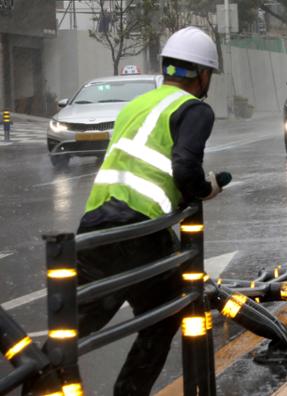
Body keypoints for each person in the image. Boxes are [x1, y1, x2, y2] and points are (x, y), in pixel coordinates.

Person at [73, 27, 219, 395]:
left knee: (73, 329)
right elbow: (185, 168)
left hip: (95, 228)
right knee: (165, 314)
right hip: (139, 230)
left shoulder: (134, 106)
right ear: (202, 74)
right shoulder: (194, 110)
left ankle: (38, 383)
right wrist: (204, 190)